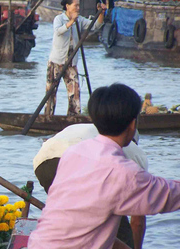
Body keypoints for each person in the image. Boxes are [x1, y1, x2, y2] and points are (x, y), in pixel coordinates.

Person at [29, 83, 180, 249]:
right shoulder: (124, 172)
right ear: (132, 124)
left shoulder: (74, 153)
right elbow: (168, 196)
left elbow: (86, 230)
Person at [33, 123, 148, 249]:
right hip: (76, 162)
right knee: (118, 230)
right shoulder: (136, 154)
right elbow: (138, 222)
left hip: (43, 162)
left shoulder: (94, 131)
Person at [44, 0, 105, 116]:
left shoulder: (80, 20)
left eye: (78, 5)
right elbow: (58, 31)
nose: (78, 8)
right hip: (56, 62)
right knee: (51, 93)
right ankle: (48, 117)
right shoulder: (59, 19)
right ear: (67, 6)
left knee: (75, 93)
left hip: (71, 63)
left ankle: (73, 118)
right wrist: (71, 21)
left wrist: (101, 13)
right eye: (75, 5)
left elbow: (95, 26)